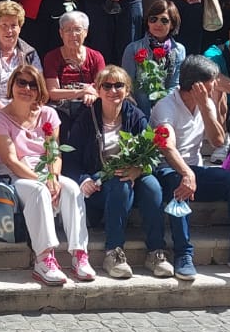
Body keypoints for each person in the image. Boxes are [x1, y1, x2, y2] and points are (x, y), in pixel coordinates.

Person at [152, 55, 230, 277]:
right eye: (213, 81)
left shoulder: (206, 102)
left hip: (195, 170)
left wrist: (208, 110)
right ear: (197, 84)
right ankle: (183, 253)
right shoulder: (165, 106)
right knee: (178, 181)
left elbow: (218, 141)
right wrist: (187, 173)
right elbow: (167, 148)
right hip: (168, 169)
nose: (216, 85)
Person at [0, 65, 92, 286]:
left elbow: (54, 152)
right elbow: (10, 160)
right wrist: (43, 182)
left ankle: (79, 254)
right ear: (12, 85)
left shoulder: (49, 114)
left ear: (39, 89)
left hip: (45, 173)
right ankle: (44, 258)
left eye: (32, 84)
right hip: (14, 176)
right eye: (21, 83)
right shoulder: (0, 118)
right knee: (38, 192)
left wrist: (53, 178)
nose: (26, 88)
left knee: (73, 188)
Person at [67, 67, 168, 280]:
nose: (113, 90)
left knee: (152, 186)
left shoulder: (136, 116)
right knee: (120, 184)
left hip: (133, 174)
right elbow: (70, 158)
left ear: (127, 89)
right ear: (98, 89)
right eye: (107, 86)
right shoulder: (87, 117)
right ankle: (113, 252)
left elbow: (153, 154)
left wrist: (138, 169)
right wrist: (82, 178)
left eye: (119, 85)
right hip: (100, 181)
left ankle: (156, 252)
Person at [0, 0, 43, 116]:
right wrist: (4, 110)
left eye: (13, 25)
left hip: (25, 107)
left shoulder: (30, 53)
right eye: (4, 25)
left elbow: (40, 86)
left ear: (20, 27)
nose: (9, 31)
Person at [120, 0, 187, 116]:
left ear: (172, 24)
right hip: (138, 108)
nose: (158, 24)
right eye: (153, 19)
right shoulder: (133, 48)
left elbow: (174, 85)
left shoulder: (179, 50)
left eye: (164, 20)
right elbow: (127, 85)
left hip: (166, 106)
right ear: (148, 23)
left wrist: (162, 107)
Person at [42, 10, 105, 128]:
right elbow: (53, 93)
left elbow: (101, 87)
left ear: (85, 32)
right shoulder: (52, 57)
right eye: (68, 30)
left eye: (77, 29)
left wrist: (92, 95)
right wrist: (82, 92)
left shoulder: (96, 57)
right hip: (61, 109)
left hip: (88, 105)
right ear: (61, 33)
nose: (73, 34)